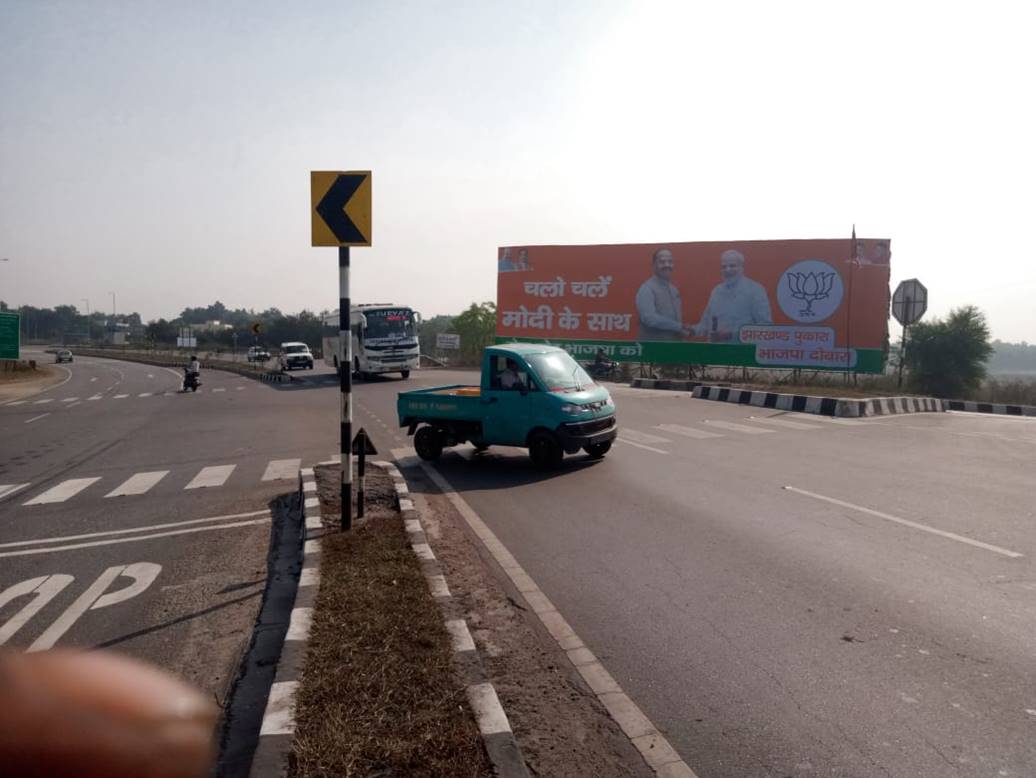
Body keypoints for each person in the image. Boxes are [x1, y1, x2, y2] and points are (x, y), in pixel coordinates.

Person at [692, 249, 772, 342]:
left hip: (742, 352)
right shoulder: (716, 291)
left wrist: (731, 335)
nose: (727, 270)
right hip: (715, 352)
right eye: (724, 267)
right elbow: (704, 325)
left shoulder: (755, 290)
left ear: (742, 267)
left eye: (732, 266)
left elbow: (765, 326)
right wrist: (688, 329)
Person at [635, 248, 689, 340]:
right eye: (662, 262)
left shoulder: (674, 290)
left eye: (670, 261)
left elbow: (677, 322)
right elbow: (649, 318)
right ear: (654, 265)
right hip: (653, 349)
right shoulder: (647, 288)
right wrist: (679, 326)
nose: (667, 265)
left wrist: (682, 331)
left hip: (673, 348)